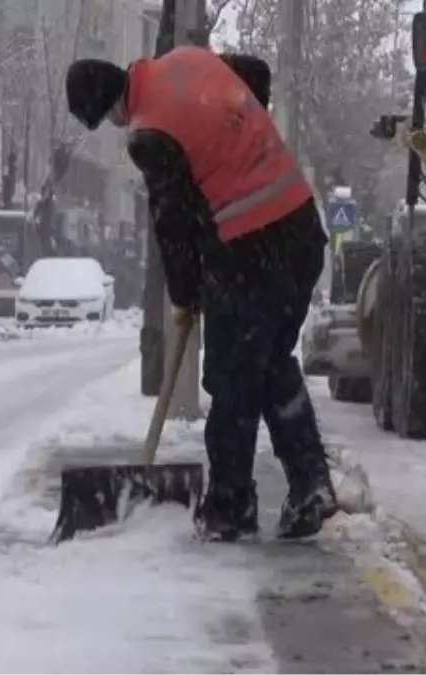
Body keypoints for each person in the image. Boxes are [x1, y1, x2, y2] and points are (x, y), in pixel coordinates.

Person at [65, 47, 337, 542]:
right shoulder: (186, 61)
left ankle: (230, 507)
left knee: (231, 377)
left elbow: (174, 224)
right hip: (299, 231)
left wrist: (184, 293)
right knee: (270, 361)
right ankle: (310, 483)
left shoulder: (149, 134)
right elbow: (254, 74)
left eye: (106, 117)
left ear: (109, 103)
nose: (114, 123)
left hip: (250, 246)